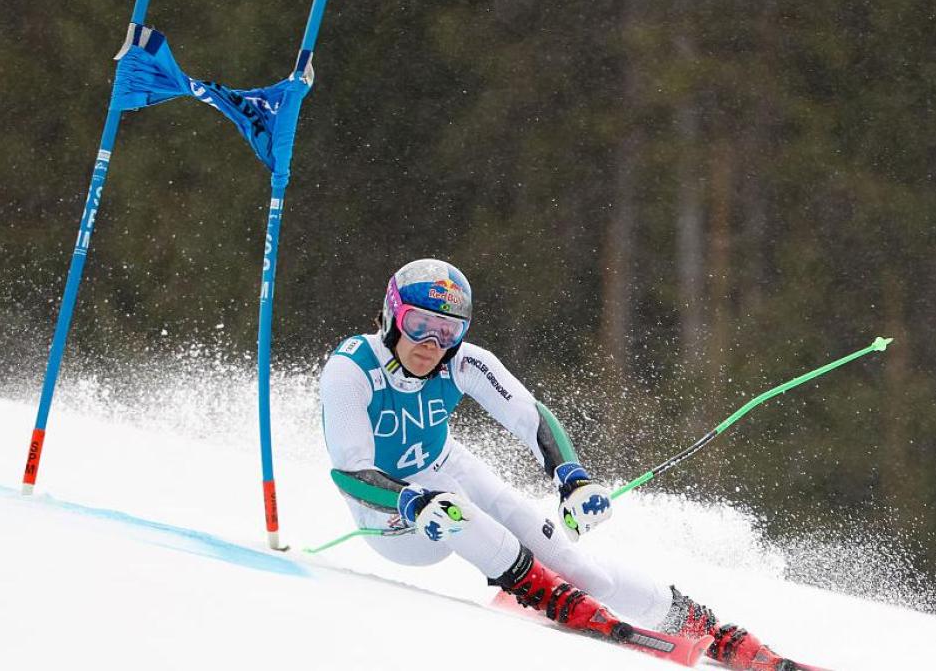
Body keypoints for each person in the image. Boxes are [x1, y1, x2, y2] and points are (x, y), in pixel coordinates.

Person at [320, 258, 799, 671]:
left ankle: (705, 627)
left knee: (578, 564)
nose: (431, 343)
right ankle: (540, 591)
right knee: (455, 508)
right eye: (419, 324)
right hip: (388, 512)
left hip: (446, 467)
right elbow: (349, 473)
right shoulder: (352, 369)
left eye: (448, 331)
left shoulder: (463, 362)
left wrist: (572, 479)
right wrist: (409, 499)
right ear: (391, 315)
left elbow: (530, 417)